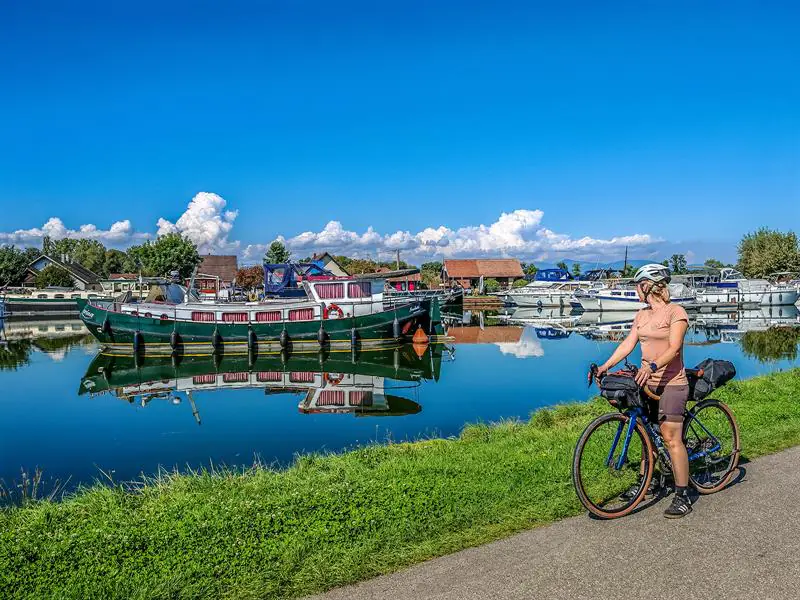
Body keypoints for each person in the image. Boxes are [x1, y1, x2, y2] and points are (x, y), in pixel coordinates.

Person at [595, 263, 692, 518]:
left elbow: (674, 349)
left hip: (672, 383)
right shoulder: (642, 315)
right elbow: (627, 345)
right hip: (646, 382)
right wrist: (605, 366)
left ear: (648, 286)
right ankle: (645, 483)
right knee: (646, 438)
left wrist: (652, 365)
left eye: (638, 285)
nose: (636, 290)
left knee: (671, 438)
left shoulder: (676, 312)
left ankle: (682, 495)